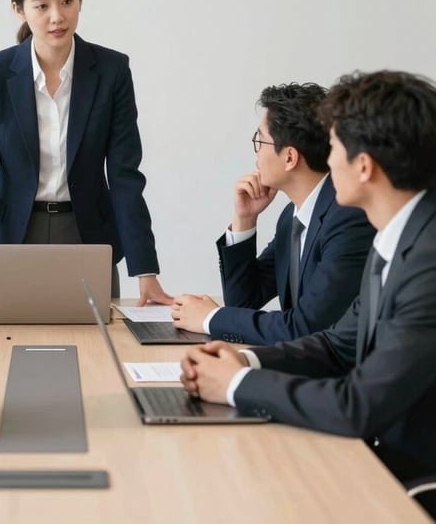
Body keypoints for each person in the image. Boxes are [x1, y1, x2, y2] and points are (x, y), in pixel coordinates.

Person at [180, 70, 436, 490]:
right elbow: (337, 344)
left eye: (334, 148)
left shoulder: (426, 263)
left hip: (410, 480)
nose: (327, 160)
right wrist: (243, 360)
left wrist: (237, 384)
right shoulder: (399, 237)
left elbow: (359, 406)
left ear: (365, 166)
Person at [0, 0, 172, 307]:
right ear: (19, 9)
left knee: (98, 347)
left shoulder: (111, 71)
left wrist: (145, 272)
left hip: (86, 234)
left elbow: (125, 176)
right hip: (10, 238)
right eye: (41, 6)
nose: (57, 17)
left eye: (67, 1)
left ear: (80, 1)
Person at [171, 83, 374, 345]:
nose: (257, 153)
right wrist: (245, 219)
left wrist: (211, 318)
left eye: (260, 141)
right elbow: (244, 302)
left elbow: (305, 328)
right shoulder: (293, 216)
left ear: (290, 157)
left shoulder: (348, 218)